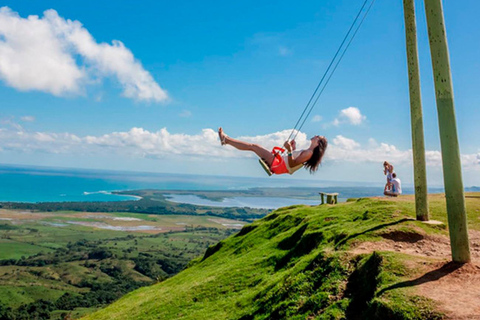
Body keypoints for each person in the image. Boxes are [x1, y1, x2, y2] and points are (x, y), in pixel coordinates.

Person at [218, 127, 327, 175]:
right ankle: (226, 140)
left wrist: (289, 151)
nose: (315, 135)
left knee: (253, 146)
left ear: (318, 143)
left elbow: (292, 163)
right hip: (280, 163)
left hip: (279, 164)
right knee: (253, 147)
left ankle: (226, 140)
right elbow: (294, 160)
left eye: (318, 137)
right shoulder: (308, 151)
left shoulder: (309, 153)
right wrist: (293, 149)